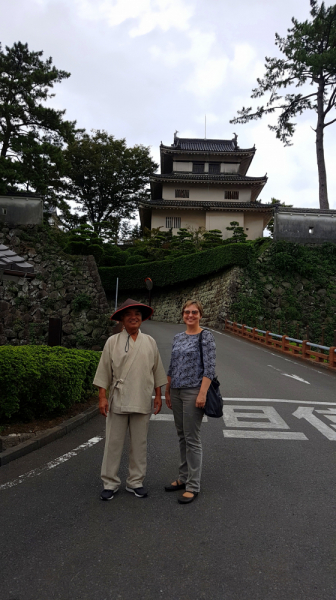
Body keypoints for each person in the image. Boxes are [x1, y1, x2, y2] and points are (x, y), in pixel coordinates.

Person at [93, 298, 167, 501]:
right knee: (113, 443)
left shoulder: (150, 342)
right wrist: (102, 397)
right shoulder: (112, 342)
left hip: (142, 398)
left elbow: (157, 371)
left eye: (137, 314)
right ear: (122, 320)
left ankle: (135, 481)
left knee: (140, 444)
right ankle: (110, 482)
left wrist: (158, 395)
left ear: (141, 318)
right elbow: (103, 372)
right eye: (129, 314)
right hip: (119, 399)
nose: (134, 317)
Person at [165, 300, 216, 504]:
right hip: (176, 390)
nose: (190, 315)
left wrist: (202, 393)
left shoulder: (206, 336)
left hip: (194, 390)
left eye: (194, 312)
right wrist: (167, 391)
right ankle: (183, 477)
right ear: (182, 314)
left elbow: (210, 368)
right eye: (187, 312)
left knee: (192, 437)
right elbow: (172, 366)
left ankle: (193, 485)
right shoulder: (178, 337)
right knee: (181, 436)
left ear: (200, 315)